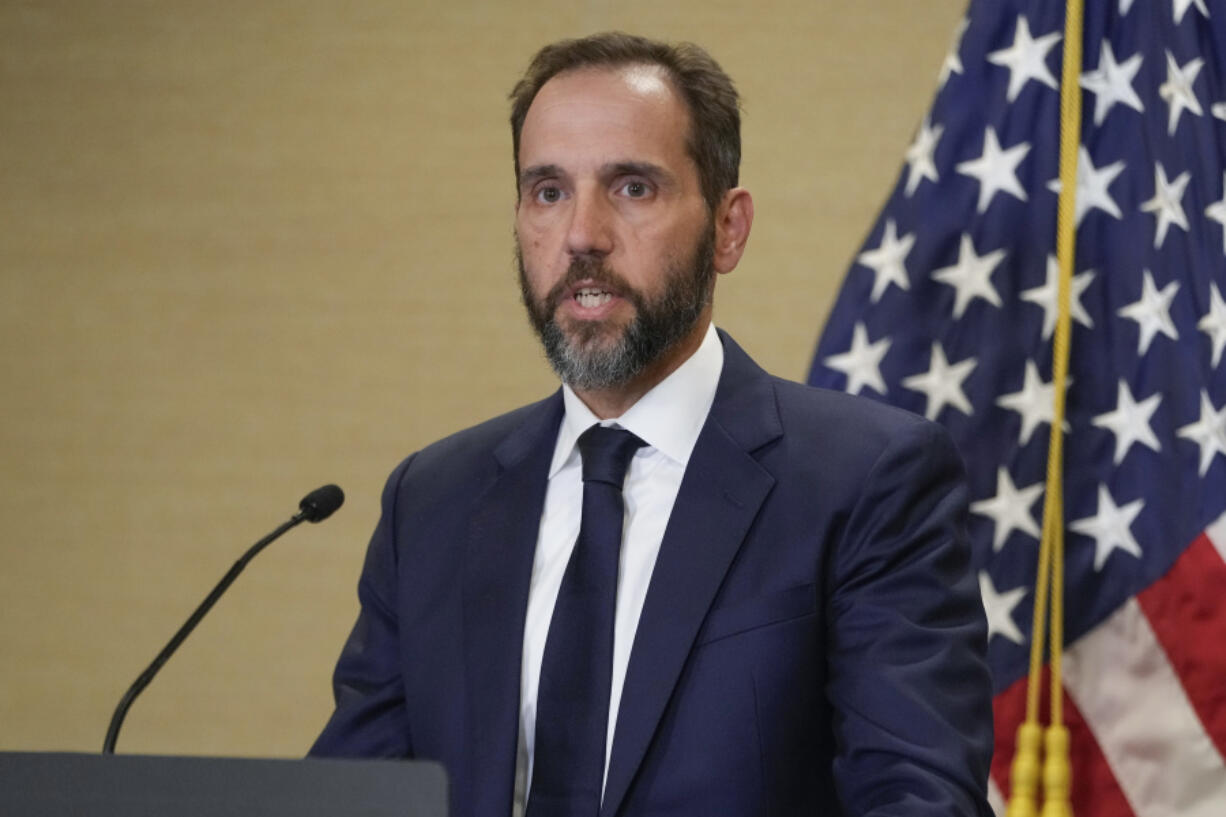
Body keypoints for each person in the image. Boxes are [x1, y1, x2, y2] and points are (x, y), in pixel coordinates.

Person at [311, 32, 993, 817]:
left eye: (632, 187)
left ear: (727, 228)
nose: (582, 235)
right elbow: (357, 795)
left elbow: (918, 798)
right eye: (548, 191)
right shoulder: (431, 502)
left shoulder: (868, 481)